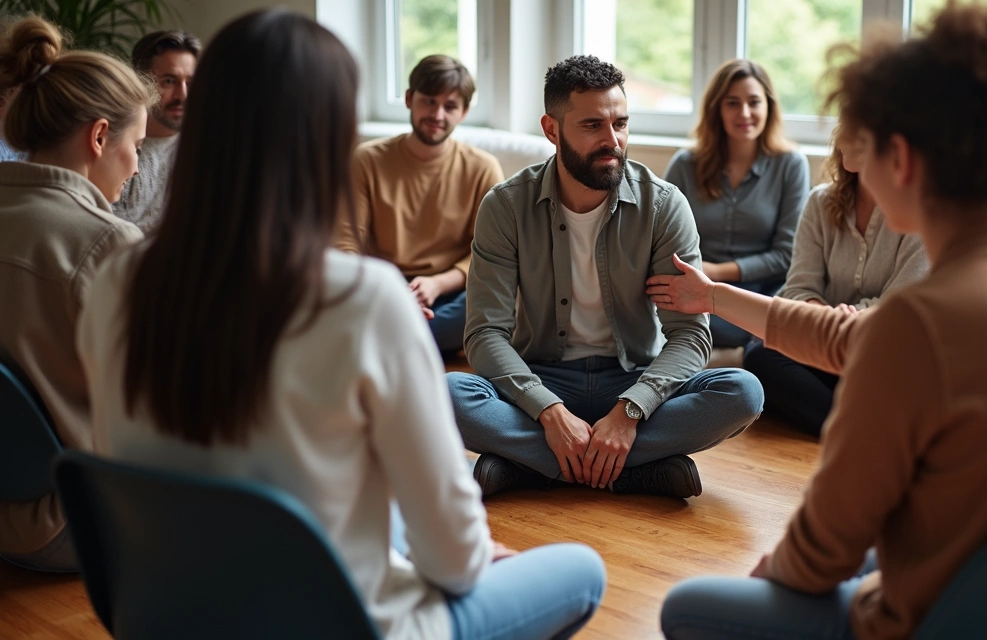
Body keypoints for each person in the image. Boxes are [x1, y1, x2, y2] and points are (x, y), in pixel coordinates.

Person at [75, 11, 604, 640]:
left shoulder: (113, 280)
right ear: (326, 138)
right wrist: (464, 555)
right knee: (582, 570)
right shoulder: (364, 300)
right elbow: (456, 562)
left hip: (168, 610)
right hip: (342, 622)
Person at [649, 5, 987, 638]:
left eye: (861, 142)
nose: (849, 156)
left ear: (901, 159)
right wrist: (714, 296)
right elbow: (848, 338)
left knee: (683, 607)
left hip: (948, 620)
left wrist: (781, 567)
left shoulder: (920, 323)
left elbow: (820, 556)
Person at [447, 55, 764, 500]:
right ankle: (635, 471)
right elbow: (484, 334)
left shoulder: (663, 205)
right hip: (541, 378)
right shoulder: (505, 206)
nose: (612, 140)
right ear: (552, 130)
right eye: (592, 125)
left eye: (620, 123)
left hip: (634, 377)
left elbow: (690, 336)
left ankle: (531, 467)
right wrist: (549, 412)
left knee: (743, 392)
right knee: (442, 392)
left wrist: (630, 412)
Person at [0, 16, 150, 572]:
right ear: (99, 136)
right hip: (70, 524)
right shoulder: (106, 242)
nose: (136, 167)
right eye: (136, 145)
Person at [742, 136, 928, 437]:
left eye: (855, 128)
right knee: (759, 355)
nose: (841, 137)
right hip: (821, 343)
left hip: (879, 347)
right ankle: (860, 426)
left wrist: (840, 322)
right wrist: (825, 325)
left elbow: (898, 310)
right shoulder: (820, 202)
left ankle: (838, 414)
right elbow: (800, 288)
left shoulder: (919, 212)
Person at [335, 55, 504, 354]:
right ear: (410, 99)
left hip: (450, 292)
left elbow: (491, 253)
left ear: (463, 112)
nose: (437, 114)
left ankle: (388, 340)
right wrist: (390, 293)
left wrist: (437, 284)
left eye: (450, 106)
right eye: (429, 101)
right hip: (381, 288)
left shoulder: (482, 168)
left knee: (498, 298)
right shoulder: (366, 160)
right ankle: (409, 339)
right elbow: (346, 243)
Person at [663, 59, 809, 348]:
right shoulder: (685, 164)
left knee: (774, 334)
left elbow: (787, 255)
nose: (744, 113)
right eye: (732, 103)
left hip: (763, 293)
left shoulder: (791, 165)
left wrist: (717, 272)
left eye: (754, 102)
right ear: (717, 108)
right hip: (695, 290)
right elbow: (660, 239)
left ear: (768, 106)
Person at [111, 30, 200, 232]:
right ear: (141, 82)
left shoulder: (207, 153)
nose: (183, 94)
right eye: (169, 81)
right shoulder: (106, 145)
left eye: (190, 82)